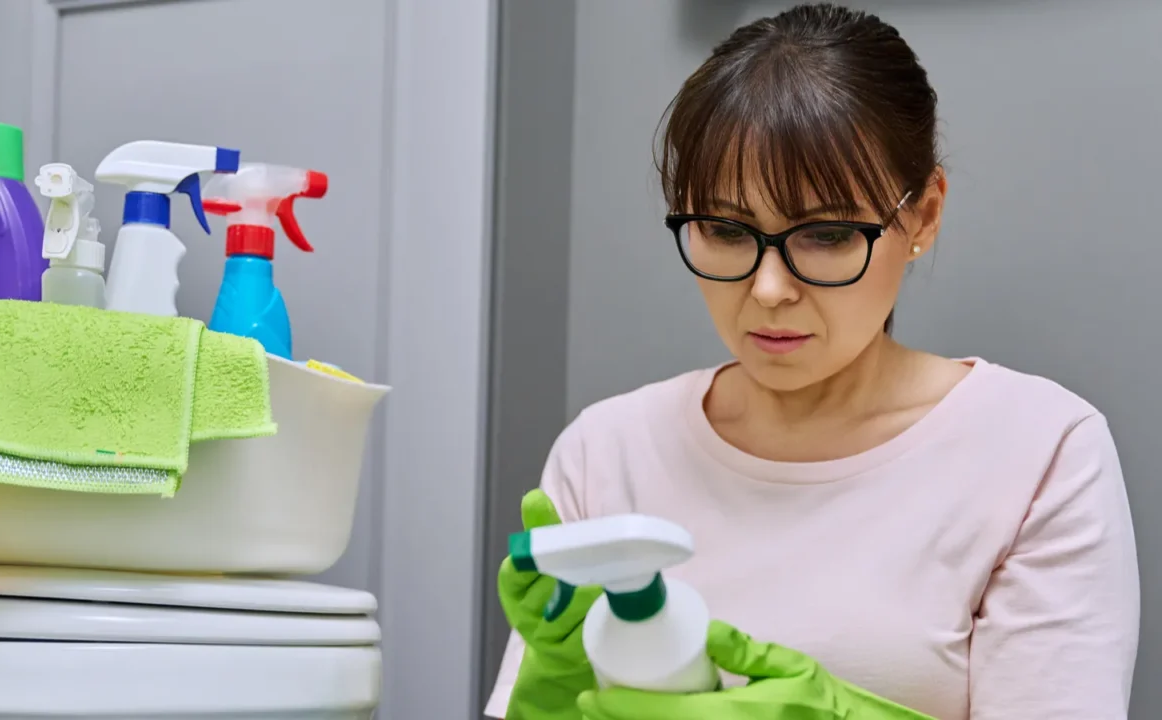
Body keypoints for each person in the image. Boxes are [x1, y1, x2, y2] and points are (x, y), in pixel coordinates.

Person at [485, 3, 1140, 720]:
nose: (769, 290)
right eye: (725, 229)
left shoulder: (1038, 450)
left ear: (922, 215)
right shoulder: (606, 452)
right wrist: (549, 692)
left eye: (827, 233)